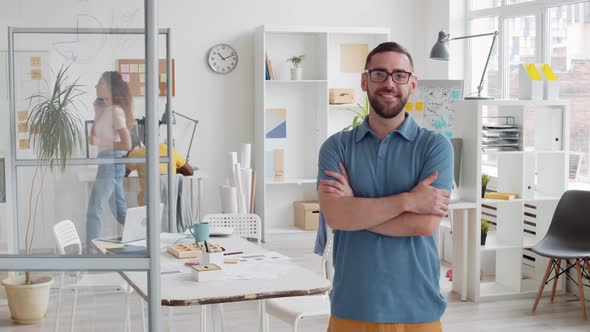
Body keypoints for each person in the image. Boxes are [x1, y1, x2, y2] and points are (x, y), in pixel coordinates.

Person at [316, 42, 453, 331]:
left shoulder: (435, 146)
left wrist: (357, 211)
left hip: (418, 306)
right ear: (364, 81)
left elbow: (425, 225)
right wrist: (408, 201)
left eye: (399, 75)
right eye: (379, 74)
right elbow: (337, 217)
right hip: (352, 304)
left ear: (412, 83)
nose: (389, 83)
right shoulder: (336, 148)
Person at [86, 71, 134, 244]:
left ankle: (92, 251)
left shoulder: (115, 111)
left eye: (99, 83)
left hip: (112, 162)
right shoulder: (106, 110)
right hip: (106, 161)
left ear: (108, 87)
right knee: (119, 210)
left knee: (94, 209)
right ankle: (146, 236)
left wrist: (101, 141)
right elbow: (92, 138)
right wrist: (97, 114)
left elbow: (127, 145)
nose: (96, 87)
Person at [125, 143, 193, 206]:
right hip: (170, 202)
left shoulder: (137, 153)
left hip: (146, 203)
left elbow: (122, 174)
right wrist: (172, 170)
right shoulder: (170, 150)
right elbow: (189, 171)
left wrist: (128, 155)